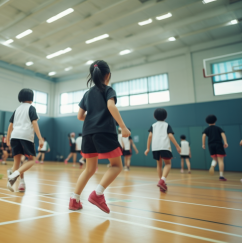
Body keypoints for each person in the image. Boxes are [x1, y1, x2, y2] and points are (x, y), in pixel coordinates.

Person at [69, 60, 131, 214]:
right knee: (116, 166)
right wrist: (123, 127)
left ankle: (74, 200)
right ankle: (98, 194)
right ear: (108, 75)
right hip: (104, 132)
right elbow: (111, 106)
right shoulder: (108, 89)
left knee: (89, 169)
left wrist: (93, 119)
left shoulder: (87, 94)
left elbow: (80, 116)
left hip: (88, 134)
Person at [6, 89, 44, 192]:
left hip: (14, 136)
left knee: (17, 162)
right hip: (26, 137)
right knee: (32, 160)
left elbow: (10, 125)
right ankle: (14, 175)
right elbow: (35, 123)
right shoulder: (31, 108)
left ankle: (20, 183)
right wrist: (40, 139)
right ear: (31, 98)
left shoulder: (17, 109)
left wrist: (7, 137)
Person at [145, 108, 181, 192]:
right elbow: (171, 136)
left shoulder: (153, 125)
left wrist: (147, 148)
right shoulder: (167, 125)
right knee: (168, 164)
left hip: (155, 147)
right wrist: (177, 146)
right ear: (165, 116)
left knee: (159, 165)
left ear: (154, 116)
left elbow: (150, 136)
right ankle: (162, 180)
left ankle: (162, 184)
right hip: (165, 146)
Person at [202, 115, 228, 181]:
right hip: (218, 144)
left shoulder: (207, 129)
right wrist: (225, 142)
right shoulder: (218, 128)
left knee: (215, 159)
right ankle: (221, 176)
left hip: (210, 145)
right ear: (215, 120)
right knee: (220, 160)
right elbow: (223, 134)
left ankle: (212, 166)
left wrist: (203, 144)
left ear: (207, 122)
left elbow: (204, 135)